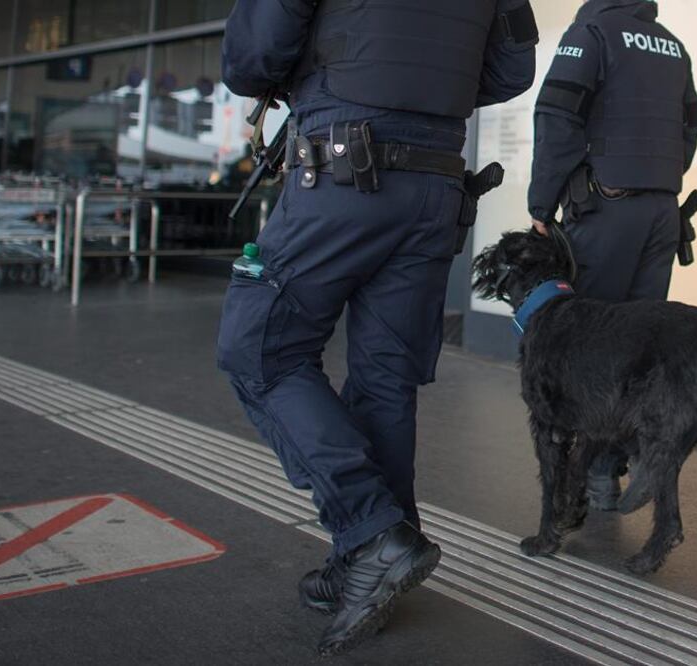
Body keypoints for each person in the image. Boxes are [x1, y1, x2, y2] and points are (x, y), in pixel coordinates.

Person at [216, 0, 536, 654]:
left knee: (258, 351)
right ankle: (370, 560)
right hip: (434, 186)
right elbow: (511, 71)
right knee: (384, 380)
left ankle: (370, 533)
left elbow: (252, 60)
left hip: (342, 172)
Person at [527, 0, 697, 511]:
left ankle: (585, 483)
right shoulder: (671, 43)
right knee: (635, 348)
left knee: (590, 348)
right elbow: (690, 127)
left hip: (608, 211)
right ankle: (609, 470)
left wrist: (542, 203)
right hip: (662, 213)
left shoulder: (592, 32)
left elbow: (557, 116)